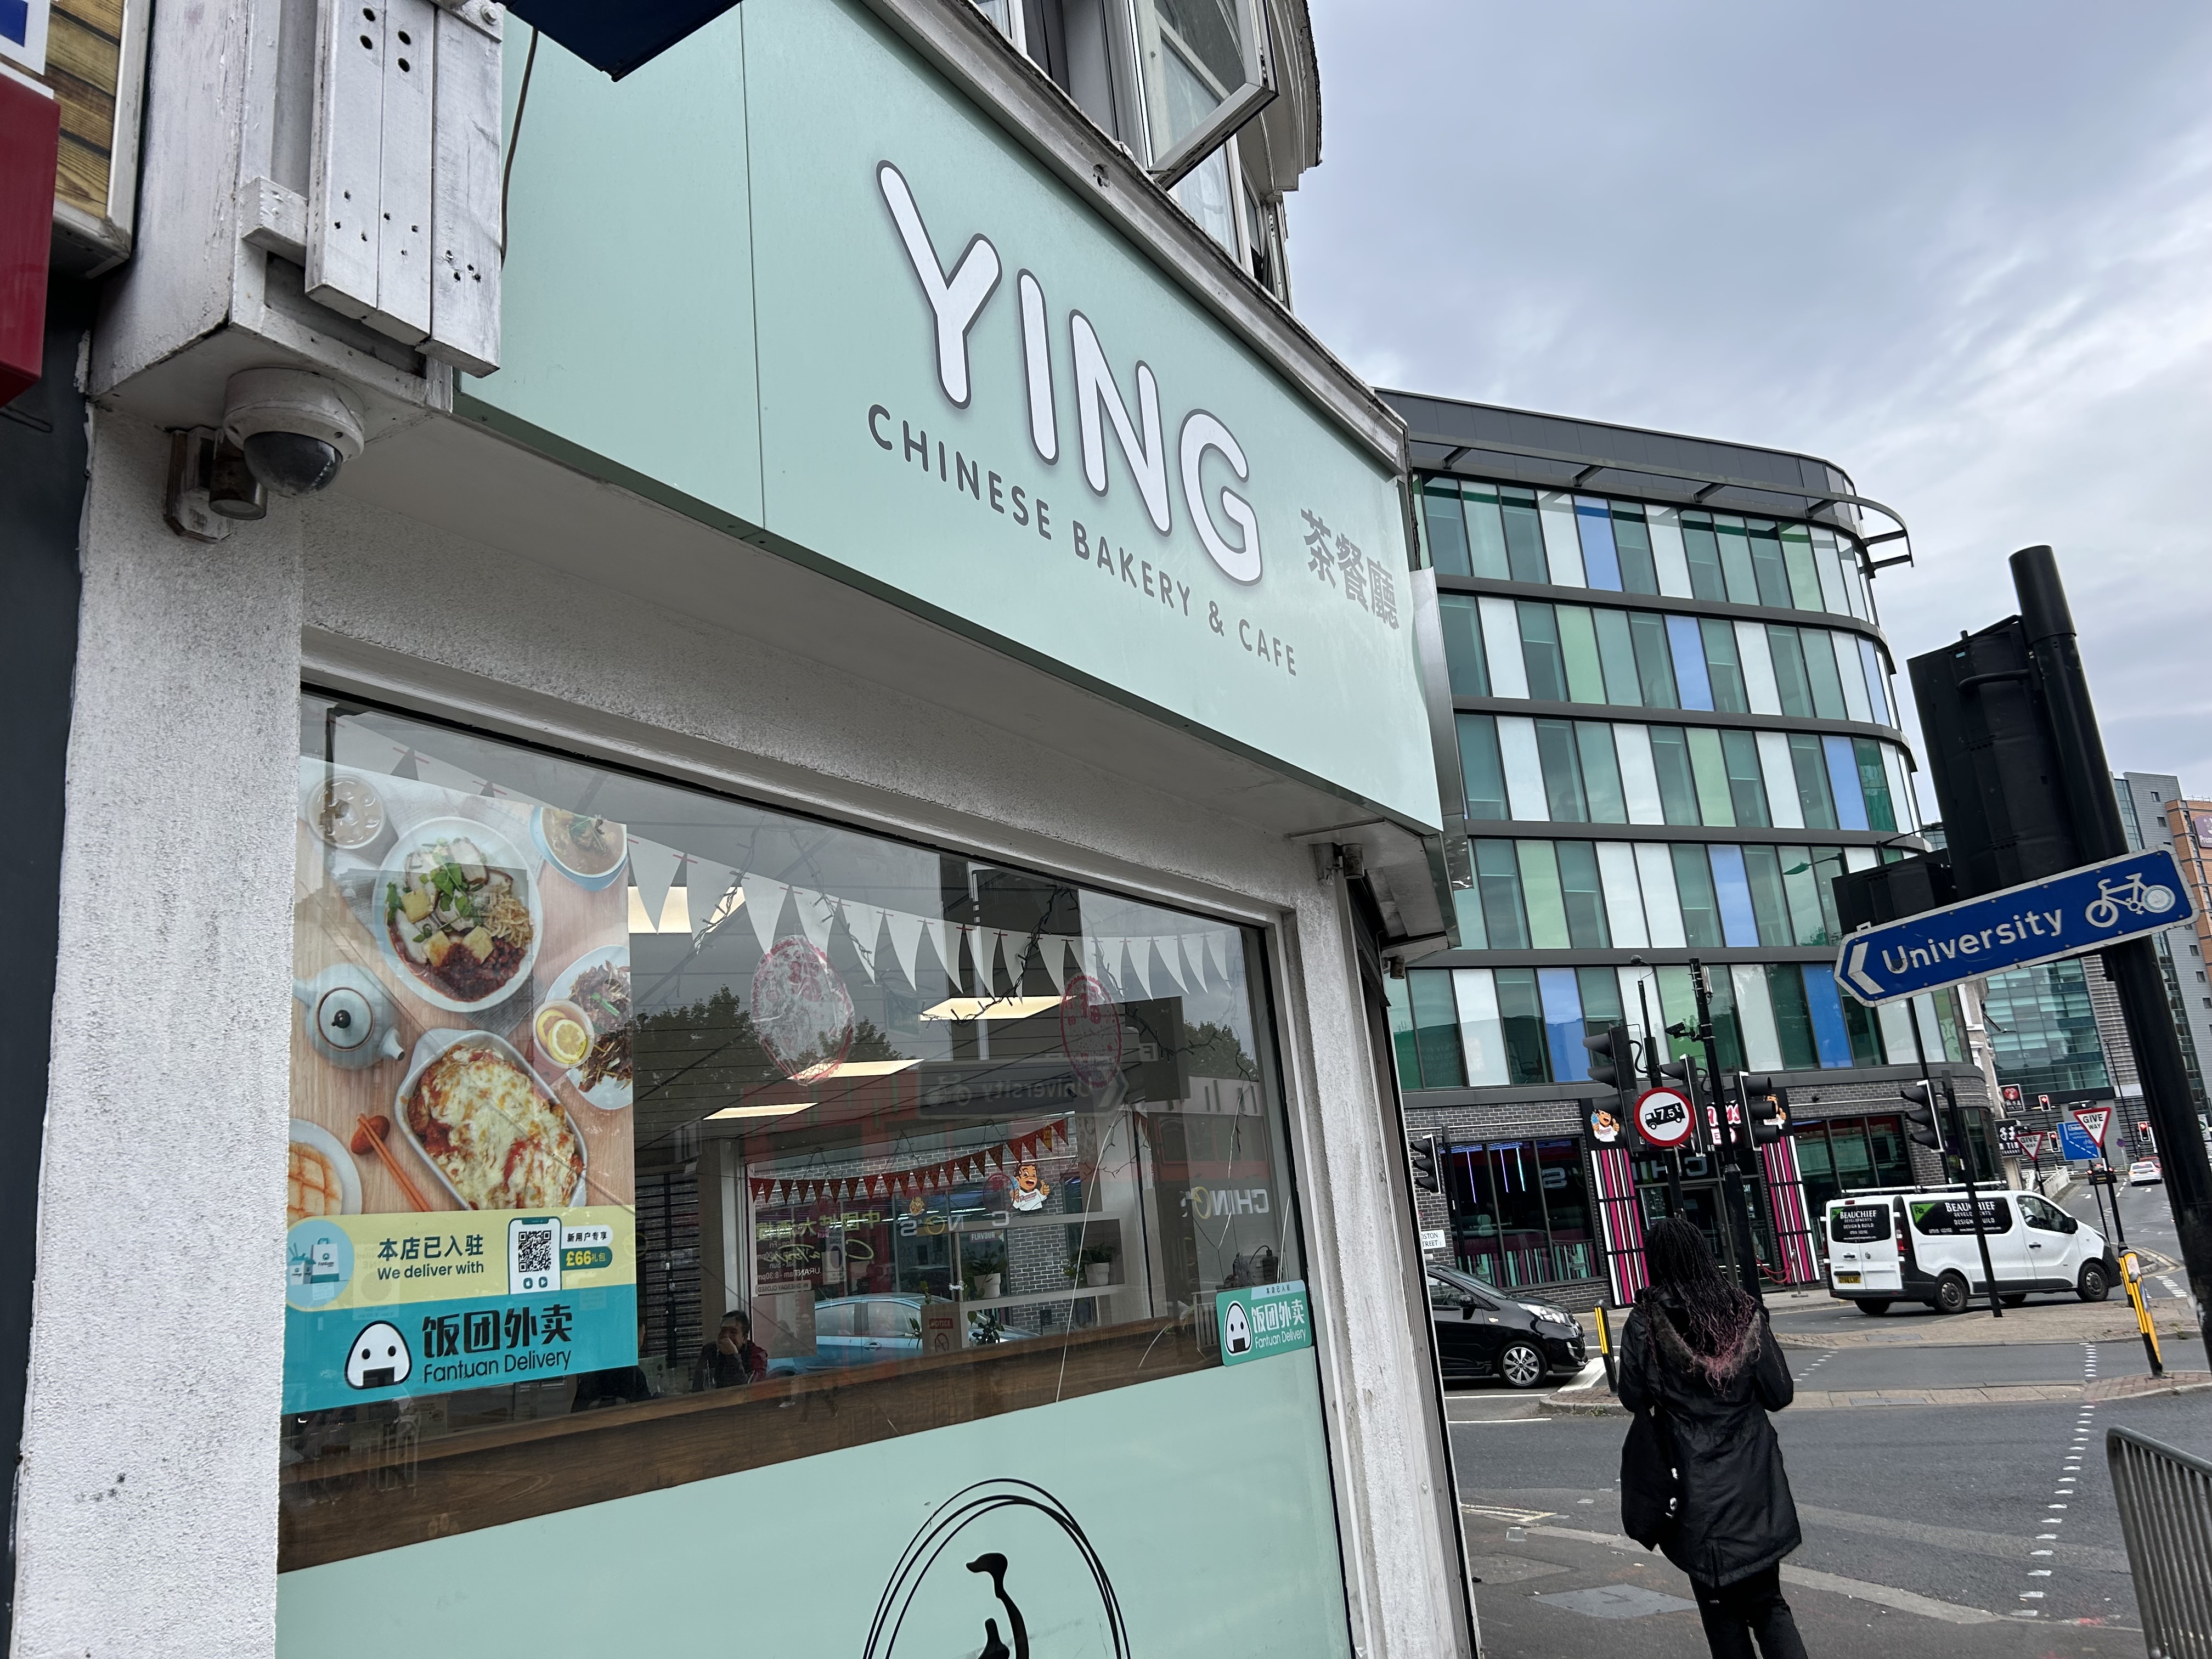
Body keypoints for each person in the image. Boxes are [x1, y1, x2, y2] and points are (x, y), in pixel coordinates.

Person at [1618, 1217, 1807, 1659]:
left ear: (1655, 1263)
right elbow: (1779, 1393)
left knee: (1719, 1607)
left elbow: (1632, 1396)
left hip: (1691, 1483)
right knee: (1768, 1603)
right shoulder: (1744, 1311)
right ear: (1704, 1255)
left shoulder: (1645, 1322)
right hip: (1754, 1480)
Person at [693, 1308, 769, 1390]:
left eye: (733, 1332)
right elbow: (698, 1387)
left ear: (744, 1338)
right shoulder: (709, 1351)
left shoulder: (757, 1355)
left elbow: (746, 1391)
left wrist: (733, 1357)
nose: (726, 1336)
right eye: (723, 1330)